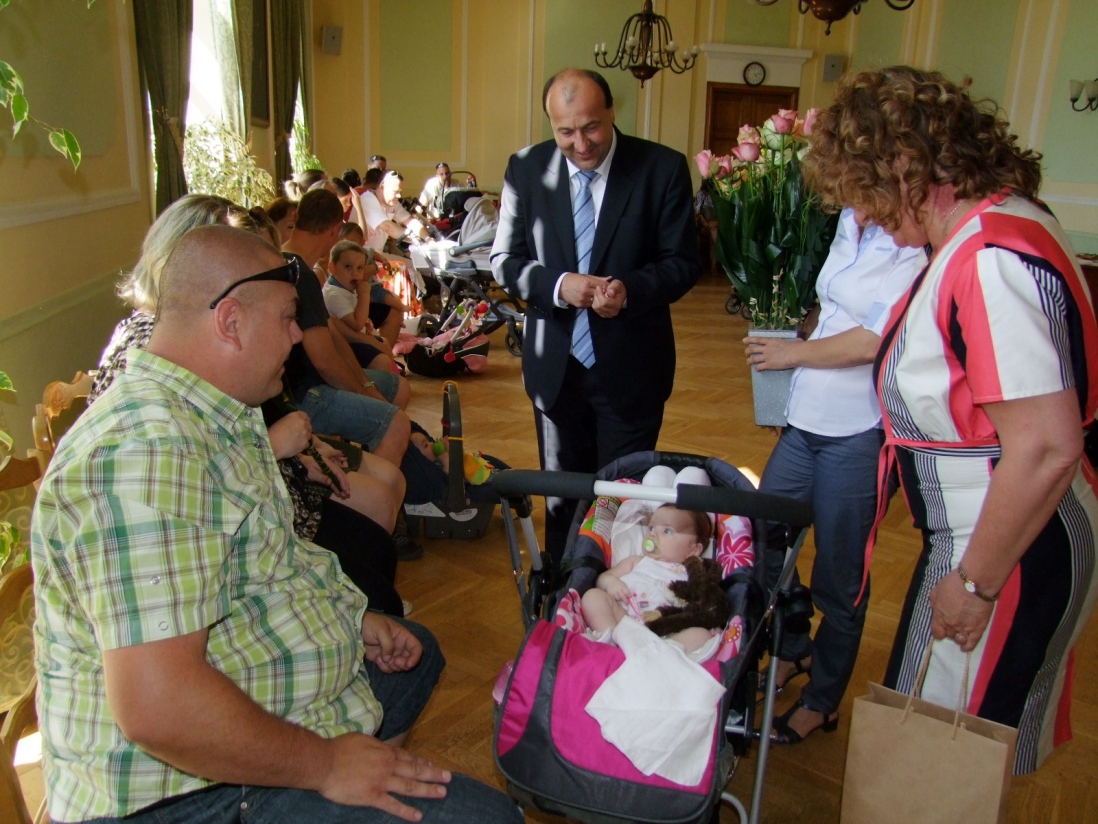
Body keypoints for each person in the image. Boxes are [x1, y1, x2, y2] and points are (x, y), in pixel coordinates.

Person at [31, 225, 521, 824]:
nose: (297, 334)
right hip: (173, 792)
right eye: (289, 317)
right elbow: (159, 709)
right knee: (489, 818)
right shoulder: (145, 454)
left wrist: (350, 619)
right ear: (230, 321)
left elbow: (262, 561)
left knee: (416, 657)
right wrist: (327, 765)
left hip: (221, 689)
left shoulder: (215, 406)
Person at [804, 65, 1098, 774]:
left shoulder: (989, 258)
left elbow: (1044, 447)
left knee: (934, 763)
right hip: (996, 533)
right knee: (945, 750)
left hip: (1001, 542)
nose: (864, 215)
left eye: (864, 192)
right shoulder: (997, 223)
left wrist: (973, 586)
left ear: (905, 164)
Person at [90, 194, 409, 615]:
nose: (293, 334)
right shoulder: (153, 364)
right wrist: (279, 447)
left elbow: (238, 430)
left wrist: (303, 451)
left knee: (376, 550)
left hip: (270, 484)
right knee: (375, 571)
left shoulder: (195, 342)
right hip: (248, 519)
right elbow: (193, 485)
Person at [490, 67, 700, 569]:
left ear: (611, 111)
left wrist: (630, 292)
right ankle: (565, 595)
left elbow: (682, 263)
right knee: (563, 501)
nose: (581, 144)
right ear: (551, 124)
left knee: (623, 503)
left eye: (591, 127)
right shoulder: (527, 169)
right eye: (566, 132)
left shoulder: (661, 167)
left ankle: (617, 591)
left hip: (631, 369)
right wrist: (559, 284)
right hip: (555, 372)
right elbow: (504, 261)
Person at [743, 208, 925, 743]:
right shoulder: (849, 220)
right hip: (805, 420)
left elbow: (872, 341)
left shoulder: (913, 241)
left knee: (840, 580)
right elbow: (833, 311)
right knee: (763, 539)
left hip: (860, 431)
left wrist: (791, 354)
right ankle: (794, 649)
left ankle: (821, 701)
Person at [282, 189, 412, 466]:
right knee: (395, 422)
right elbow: (325, 360)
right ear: (334, 230)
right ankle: (373, 481)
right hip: (302, 392)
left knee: (396, 386)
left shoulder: (294, 263)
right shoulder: (300, 274)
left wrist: (365, 384)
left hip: (307, 382)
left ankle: (368, 457)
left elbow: (333, 337)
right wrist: (363, 392)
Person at [581, 505, 714, 654]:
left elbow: (704, 602)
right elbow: (603, 578)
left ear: (693, 550)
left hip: (665, 632)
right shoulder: (637, 561)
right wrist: (611, 583)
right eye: (651, 528)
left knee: (702, 635)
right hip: (624, 621)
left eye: (667, 531)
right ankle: (613, 642)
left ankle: (660, 655)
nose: (653, 534)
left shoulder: (692, 574)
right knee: (592, 596)